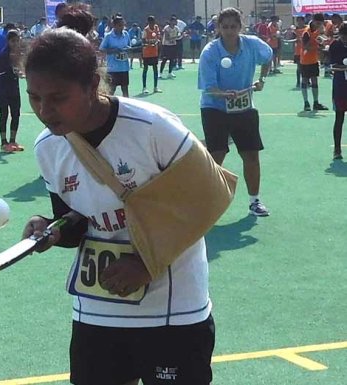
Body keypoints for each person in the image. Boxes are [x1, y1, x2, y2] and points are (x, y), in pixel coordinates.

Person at [22, 9, 230, 384]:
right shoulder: (48, 147)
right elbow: (76, 224)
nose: (44, 111)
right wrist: (50, 230)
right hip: (96, 313)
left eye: (58, 97)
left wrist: (146, 264)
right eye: (34, 97)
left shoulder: (153, 128)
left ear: (91, 85)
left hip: (173, 311)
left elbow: (210, 197)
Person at [199, 7, 272, 216]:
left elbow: (267, 57)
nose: (229, 31)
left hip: (244, 107)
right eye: (225, 27)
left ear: (240, 27)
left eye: (233, 26)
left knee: (250, 154)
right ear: (218, 28)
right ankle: (206, 204)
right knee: (217, 155)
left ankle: (254, 201)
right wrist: (224, 94)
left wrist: (262, 79)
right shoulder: (210, 52)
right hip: (214, 107)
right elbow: (209, 88)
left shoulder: (252, 44)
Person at [0, 30, 24, 153]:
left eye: (17, 40)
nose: (16, 43)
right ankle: (3, 142)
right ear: (8, 41)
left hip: (14, 88)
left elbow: (19, 68)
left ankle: (13, 141)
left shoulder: (17, 53)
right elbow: (0, 72)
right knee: (4, 114)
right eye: (13, 41)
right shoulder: (3, 55)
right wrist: (15, 72)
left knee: (16, 114)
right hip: (3, 88)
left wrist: (21, 72)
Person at [300, 13, 328, 112]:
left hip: (314, 60)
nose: (319, 25)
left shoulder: (319, 30)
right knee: (304, 81)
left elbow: (322, 41)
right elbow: (306, 47)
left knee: (315, 81)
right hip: (305, 61)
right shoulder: (306, 32)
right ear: (314, 21)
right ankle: (306, 103)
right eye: (318, 23)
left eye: (321, 23)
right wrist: (317, 47)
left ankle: (316, 103)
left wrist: (322, 44)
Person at [99, 15, 130, 97]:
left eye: (123, 25)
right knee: (111, 91)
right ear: (114, 25)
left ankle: (126, 108)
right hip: (112, 68)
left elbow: (129, 46)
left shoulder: (126, 34)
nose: (122, 27)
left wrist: (128, 49)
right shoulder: (108, 36)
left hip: (124, 67)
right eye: (120, 25)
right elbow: (102, 49)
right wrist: (114, 51)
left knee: (125, 90)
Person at [329, 23, 347, 160]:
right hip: (340, 86)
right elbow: (332, 66)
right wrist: (343, 68)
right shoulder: (335, 45)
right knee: (339, 118)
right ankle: (337, 149)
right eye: (343, 35)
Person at [141, 15, 162, 94]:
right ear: (148, 22)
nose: (152, 24)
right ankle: (144, 87)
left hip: (154, 53)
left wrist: (156, 42)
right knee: (145, 69)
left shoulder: (156, 28)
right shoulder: (145, 30)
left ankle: (155, 87)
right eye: (151, 23)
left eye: (153, 22)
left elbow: (158, 37)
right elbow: (143, 41)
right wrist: (149, 43)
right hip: (147, 53)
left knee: (155, 69)